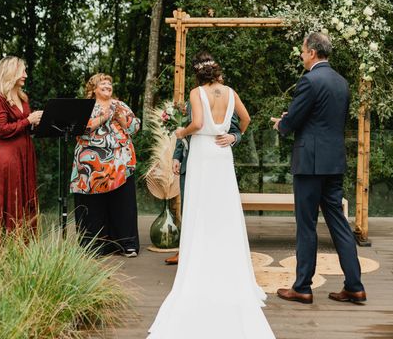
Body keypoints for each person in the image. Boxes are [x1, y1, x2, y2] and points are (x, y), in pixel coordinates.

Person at [148, 53, 275, 339]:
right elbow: (246, 119)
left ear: (198, 76)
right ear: (217, 73)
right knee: (224, 210)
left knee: (200, 209)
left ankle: (201, 264)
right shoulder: (230, 92)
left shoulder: (196, 92)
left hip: (203, 153)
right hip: (222, 152)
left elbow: (197, 122)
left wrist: (181, 132)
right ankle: (227, 266)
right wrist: (234, 136)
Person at [271, 32, 366, 305]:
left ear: (312, 52)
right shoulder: (342, 82)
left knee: (307, 225)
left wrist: (282, 123)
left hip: (310, 163)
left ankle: (302, 287)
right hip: (334, 162)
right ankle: (355, 285)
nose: (301, 55)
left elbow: (295, 121)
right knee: (339, 223)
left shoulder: (309, 80)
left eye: (303, 50)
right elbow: (325, 119)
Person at [70, 73, 141, 257]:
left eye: (110, 83)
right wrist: (103, 118)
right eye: (103, 83)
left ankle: (126, 244)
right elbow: (79, 129)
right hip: (91, 165)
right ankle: (94, 246)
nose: (108, 85)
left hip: (119, 163)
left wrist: (121, 118)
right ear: (93, 88)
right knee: (94, 206)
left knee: (122, 203)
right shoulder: (85, 107)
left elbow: (135, 128)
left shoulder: (120, 105)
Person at [164, 105, 243, 266]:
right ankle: (185, 251)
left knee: (214, 209)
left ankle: (214, 252)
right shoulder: (192, 100)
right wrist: (177, 157)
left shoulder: (226, 99)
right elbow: (185, 129)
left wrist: (234, 137)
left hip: (214, 162)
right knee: (189, 209)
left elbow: (237, 128)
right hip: (189, 162)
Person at [0, 56, 43, 242]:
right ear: (11, 72)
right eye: (22, 71)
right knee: (9, 197)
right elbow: (1, 130)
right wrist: (28, 120)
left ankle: (24, 243)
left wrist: (35, 123)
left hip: (24, 153)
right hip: (6, 156)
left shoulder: (22, 97)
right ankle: (3, 245)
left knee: (24, 196)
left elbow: (24, 125)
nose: (25, 74)